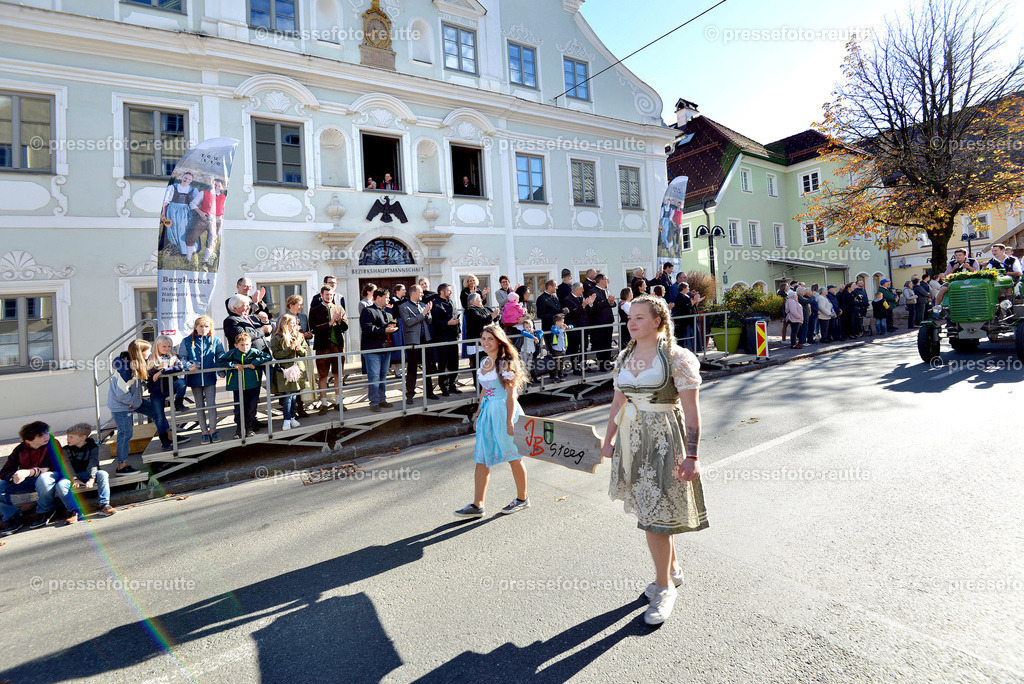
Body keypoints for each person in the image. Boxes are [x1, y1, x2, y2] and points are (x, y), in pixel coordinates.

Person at [600, 295, 707, 625]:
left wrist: (692, 455)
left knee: (654, 515)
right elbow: (618, 401)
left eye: (640, 318)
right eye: (629, 317)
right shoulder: (625, 356)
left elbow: (691, 411)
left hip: (664, 441)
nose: (631, 323)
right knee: (653, 510)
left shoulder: (677, 358)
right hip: (632, 441)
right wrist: (609, 439)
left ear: (658, 321)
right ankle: (671, 570)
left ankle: (663, 588)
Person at [453, 325, 530, 518]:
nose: (485, 342)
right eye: (483, 338)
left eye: (490, 339)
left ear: (499, 341)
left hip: (503, 411)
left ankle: (523, 498)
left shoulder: (505, 364)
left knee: (513, 456)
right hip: (488, 413)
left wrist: (510, 422)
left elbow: (511, 395)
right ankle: (478, 505)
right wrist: (478, 413)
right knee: (482, 457)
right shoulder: (485, 361)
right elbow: (484, 391)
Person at [0, 421, 63, 535]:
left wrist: (30, 472)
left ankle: (45, 511)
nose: (46, 436)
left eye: (46, 433)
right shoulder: (20, 449)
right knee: (1, 485)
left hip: (51, 477)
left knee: (44, 478)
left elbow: (54, 467)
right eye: (40, 435)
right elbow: (5, 471)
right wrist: (13, 477)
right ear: (28, 440)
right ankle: (13, 517)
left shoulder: (53, 444)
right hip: (29, 481)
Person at [107, 339, 160, 468]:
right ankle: (122, 466)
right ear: (140, 353)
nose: (150, 353)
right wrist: (132, 403)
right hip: (122, 405)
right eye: (148, 351)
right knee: (125, 433)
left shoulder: (136, 364)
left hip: (134, 402)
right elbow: (121, 393)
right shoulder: (126, 370)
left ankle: (168, 438)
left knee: (157, 412)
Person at [177, 316, 225, 444]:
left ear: (210, 328)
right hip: (195, 378)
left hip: (209, 378)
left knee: (211, 405)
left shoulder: (216, 340)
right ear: (196, 327)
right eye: (201, 326)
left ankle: (213, 430)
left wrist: (221, 371)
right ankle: (204, 432)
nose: (204, 329)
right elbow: (182, 357)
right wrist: (188, 366)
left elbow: (220, 356)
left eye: (206, 326)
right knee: (199, 406)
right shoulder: (187, 341)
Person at [55, 423, 115, 523]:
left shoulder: (92, 447)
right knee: (61, 485)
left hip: (90, 474)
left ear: (83, 437)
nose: (67, 439)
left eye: (71, 437)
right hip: (74, 476)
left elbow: (93, 462)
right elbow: (67, 465)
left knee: (103, 474)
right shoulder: (65, 450)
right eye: (67, 436)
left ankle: (104, 505)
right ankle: (75, 511)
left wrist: (92, 478)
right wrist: (74, 479)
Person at [217, 332, 272, 439]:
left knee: (251, 407)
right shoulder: (232, 353)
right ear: (236, 345)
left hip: (253, 384)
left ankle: (249, 427)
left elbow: (268, 356)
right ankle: (239, 429)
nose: (245, 347)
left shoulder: (254, 352)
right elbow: (219, 362)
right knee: (238, 408)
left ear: (250, 344)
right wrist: (233, 365)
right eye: (242, 345)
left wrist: (256, 362)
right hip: (237, 385)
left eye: (247, 344)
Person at [308, 286, 348, 413]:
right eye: (326, 295)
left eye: (331, 295)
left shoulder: (339, 308)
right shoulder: (314, 310)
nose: (329, 297)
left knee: (338, 375)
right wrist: (330, 323)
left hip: (338, 347)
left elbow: (345, 327)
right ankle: (324, 404)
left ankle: (338, 402)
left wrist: (339, 321)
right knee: (323, 376)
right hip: (322, 347)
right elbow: (314, 329)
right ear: (321, 295)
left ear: (333, 295)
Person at [147, 335, 190, 451]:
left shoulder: (173, 357)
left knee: (182, 382)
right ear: (157, 346)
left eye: (169, 346)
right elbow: (148, 373)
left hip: (170, 388)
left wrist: (163, 371)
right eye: (164, 346)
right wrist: (157, 369)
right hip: (156, 392)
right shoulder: (150, 358)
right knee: (159, 417)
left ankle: (178, 403)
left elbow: (180, 367)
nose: (167, 349)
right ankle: (164, 441)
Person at [270, 314, 312, 431]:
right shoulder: (277, 338)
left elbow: (305, 353)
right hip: (284, 371)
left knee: (294, 396)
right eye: (291, 323)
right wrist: (290, 349)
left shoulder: (299, 335)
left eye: (295, 323)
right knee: (288, 396)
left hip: (297, 370)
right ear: (285, 324)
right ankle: (287, 419)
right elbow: (276, 355)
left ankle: (292, 417)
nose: (294, 325)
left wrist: (299, 349)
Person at [360, 289, 398, 411]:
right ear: (378, 297)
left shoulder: (388, 313)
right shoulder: (368, 311)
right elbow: (367, 329)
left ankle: (382, 399)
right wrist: (385, 330)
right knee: (374, 377)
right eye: (386, 297)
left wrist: (391, 327)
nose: (388, 299)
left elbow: (386, 327)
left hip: (385, 348)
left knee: (383, 376)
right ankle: (374, 403)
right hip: (373, 349)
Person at [400, 285, 437, 401]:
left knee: (428, 367)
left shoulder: (423, 305)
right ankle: (410, 394)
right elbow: (408, 322)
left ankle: (429, 392)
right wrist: (423, 314)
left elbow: (429, 321)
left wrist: (428, 312)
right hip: (413, 341)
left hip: (425, 339)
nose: (422, 294)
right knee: (412, 368)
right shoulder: (403, 306)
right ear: (413, 293)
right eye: (420, 292)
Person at [160, 171, 201, 258]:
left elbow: (198, 201)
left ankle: (184, 250)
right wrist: (163, 213)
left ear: (191, 181)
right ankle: (174, 248)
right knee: (173, 229)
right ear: (182, 177)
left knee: (183, 229)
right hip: (173, 210)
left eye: (189, 179)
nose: (187, 180)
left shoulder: (193, 190)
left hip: (185, 212)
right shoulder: (173, 187)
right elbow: (166, 201)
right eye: (185, 178)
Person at [430, 283, 461, 396]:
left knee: (454, 362)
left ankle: (453, 384)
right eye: (448, 290)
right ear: (442, 292)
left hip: (453, 336)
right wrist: (447, 323)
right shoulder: (435, 304)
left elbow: (456, 315)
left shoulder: (451, 302)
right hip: (442, 338)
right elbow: (434, 322)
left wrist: (458, 329)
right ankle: (443, 386)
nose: (451, 292)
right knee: (443, 364)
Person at [190, 177, 226, 266]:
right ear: (212, 185)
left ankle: (206, 261)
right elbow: (192, 204)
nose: (216, 187)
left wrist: (220, 217)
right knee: (192, 236)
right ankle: (188, 258)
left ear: (221, 187)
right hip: (204, 219)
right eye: (215, 185)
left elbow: (225, 210)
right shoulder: (204, 193)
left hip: (216, 222)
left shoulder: (224, 197)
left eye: (219, 186)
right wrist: (200, 213)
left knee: (211, 241)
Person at [463, 293, 499, 372]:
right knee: (479, 367)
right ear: (473, 301)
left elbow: (494, 318)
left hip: (488, 341)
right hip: (477, 343)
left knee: (489, 366)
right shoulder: (470, 310)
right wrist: (492, 316)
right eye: (479, 299)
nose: (481, 300)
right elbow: (480, 320)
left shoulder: (485, 308)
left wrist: (496, 315)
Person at [589, 274, 616, 371]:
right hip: (599, 322)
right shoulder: (592, 291)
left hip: (609, 320)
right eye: (606, 279)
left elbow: (613, 304)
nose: (607, 281)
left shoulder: (607, 290)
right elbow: (594, 306)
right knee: (601, 344)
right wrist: (607, 301)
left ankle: (607, 362)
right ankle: (601, 365)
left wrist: (611, 302)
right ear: (600, 280)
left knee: (608, 343)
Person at [535, 279, 564, 349]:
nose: (557, 288)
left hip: (558, 327)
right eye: (555, 286)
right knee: (552, 349)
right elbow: (540, 315)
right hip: (549, 328)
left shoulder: (554, 297)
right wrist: (555, 316)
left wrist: (563, 310)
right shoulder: (541, 298)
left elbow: (557, 309)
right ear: (550, 287)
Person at [549, 313, 570, 380]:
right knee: (556, 362)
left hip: (562, 348)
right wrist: (562, 330)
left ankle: (561, 374)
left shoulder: (562, 327)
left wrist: (568, 327)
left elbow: (572, 326)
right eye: (562, 322)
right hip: (556, 348)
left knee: (561, 362)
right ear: (557, 322)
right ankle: (555, 376)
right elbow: (554, 332)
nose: (563, 323)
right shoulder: (554, 327)